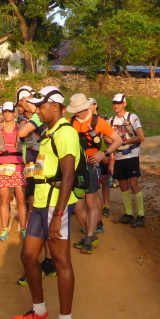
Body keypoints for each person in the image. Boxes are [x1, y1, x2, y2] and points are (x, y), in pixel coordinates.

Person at [11, 86, 80, 319]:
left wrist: (59, 215)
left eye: (42, 106)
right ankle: (39, 311)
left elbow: (68, 176)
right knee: (28, 256)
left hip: (54, 206)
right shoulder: (49, 132)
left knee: (61, 262)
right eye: (37, 106)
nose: (37, 110)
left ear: (56, 107)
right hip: (41, 203)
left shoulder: (65, 132)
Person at [66, 94, 123, 253]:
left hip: (91, 166)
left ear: (86, 107)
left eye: (79, 110)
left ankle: (89, 238)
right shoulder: (70, 123)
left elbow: (118, 140)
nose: (77, 113)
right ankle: (90, 235)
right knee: (77, 206)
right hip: (75, 167)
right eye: (75, 111)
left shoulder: (98, 122)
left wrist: (104, 154)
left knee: (90, 203)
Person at [16, 89, 56, 284]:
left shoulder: (37, 117)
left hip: (38, 167)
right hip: (35, 166)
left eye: (21, 103)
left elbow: (22, 133)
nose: (21, 107)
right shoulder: (39, 117)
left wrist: (27, 121)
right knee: (41, 215)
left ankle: (39, 263)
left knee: (37, 214)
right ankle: (49, 262)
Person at [0, 101, 28, 241]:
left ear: (14, 113)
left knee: (21, 199)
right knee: (4, 199)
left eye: (10, 112)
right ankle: (4, 229)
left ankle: (23, 228)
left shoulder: (21, 128)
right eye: (5, 112)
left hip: (19, 165)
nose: (7, 114)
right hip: (3, 166)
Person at [108, 94, 147, 227]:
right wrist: (108, 141)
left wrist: (124, 141)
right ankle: (128, 214)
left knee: (133, 184)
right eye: (114, 103)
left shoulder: (132, 117)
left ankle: (141, 215)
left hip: (131, 155)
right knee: (123, 184)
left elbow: (141, 137)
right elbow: (108, 139)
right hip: (119, 156)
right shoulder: (111, 120)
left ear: (124, 104)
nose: (116, 105)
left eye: (118, 103)